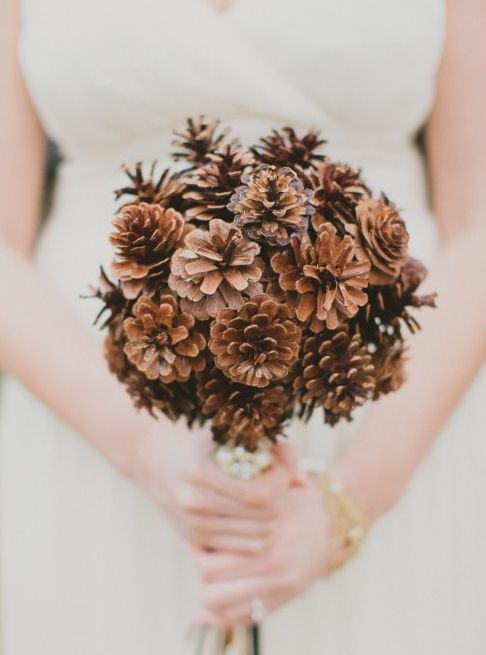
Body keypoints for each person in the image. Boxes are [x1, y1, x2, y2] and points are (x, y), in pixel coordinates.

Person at [0, 0, 485, 653]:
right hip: (94, 428)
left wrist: (351, 500)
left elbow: (478, 226)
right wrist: (148, 452)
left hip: (393, 424)